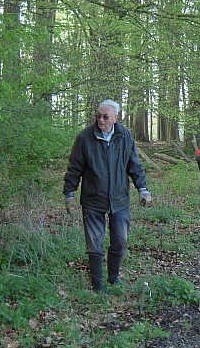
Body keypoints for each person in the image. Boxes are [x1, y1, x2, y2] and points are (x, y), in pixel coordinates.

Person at [63, 100, 152, 292]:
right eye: (98, 116)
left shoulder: (125, 135)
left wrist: (142, 189)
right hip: (93, 200)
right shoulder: (84, 138)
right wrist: (69, 193)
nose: (101, 120)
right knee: (94, 244)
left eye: (105, 116)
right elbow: (74, 168)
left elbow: (134, 165)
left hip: (120, 200)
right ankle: (98, 285)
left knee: (120, 241)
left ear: (115, 118)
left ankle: (113, 277)